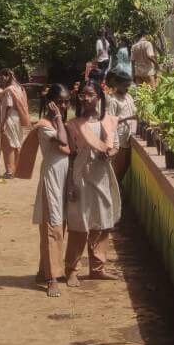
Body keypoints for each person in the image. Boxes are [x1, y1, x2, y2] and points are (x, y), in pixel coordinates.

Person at [64, 83, 121, 287]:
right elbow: (70, 155)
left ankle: (98, 268)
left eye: (90, 95)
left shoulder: (109, 121)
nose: (85, 98)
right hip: (81, 174)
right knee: (79, 223)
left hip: (102, 174)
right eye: (82, 95)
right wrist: (71, 183)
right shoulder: (73, 124)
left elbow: (115, 147)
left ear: (100, 97)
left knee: (102, 222)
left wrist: (109, 154)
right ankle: (71, 270)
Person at [35, 84, 72, 298]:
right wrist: (58, 118)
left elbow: (68, 149)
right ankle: (52, 279)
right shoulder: (45, 125)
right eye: (59, 102)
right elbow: (65, 144)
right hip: (51, 179)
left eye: (66, 102)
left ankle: (44, 271)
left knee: (59, 225)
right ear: (50, 103)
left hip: (63, 178)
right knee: (52, 228)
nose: (63, 106)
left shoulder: (60, 124)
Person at [104, 68, 136, 180]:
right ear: (117, 84)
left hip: (128, 135)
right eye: (125, 85)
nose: (127, 88)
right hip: (119, 137)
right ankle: (116, 189)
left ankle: (118, 188)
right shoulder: (113, 100)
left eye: (128, 85)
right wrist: (129, 117)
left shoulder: (129, 97)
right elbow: (109, 120)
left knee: (126, 164)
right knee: (118, 167)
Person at [0, 69, 30, 177]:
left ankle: (10, 171)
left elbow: (8, 106)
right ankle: (16, 169)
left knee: (9, 145)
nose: (1, 80)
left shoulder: (9, 89)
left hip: (10, 117)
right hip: (17, 118)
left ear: (7, 76)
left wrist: (3, 123)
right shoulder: (19, 88)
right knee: (17, 143)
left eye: (2, 77)